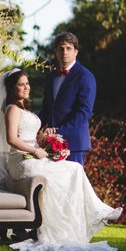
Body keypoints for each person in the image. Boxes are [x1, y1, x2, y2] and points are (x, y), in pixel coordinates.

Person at [0, 69, 122, 251]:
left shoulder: (24, 109)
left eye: (27, 83)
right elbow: (12, 139)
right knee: (69, 171)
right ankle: (98, 213)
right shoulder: (12, 109)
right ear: (12, 89)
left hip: (34, 154)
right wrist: (35, 150)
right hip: (21, 160)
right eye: (21, 84)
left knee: (75, 168)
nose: (26, 87)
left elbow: (31, 138)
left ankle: (97, 212)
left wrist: (49, 144)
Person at [39, 32, 95, 165]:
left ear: (76, 52)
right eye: (61, 48)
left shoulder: (85, 76)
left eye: (68, 48)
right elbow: (46, 109)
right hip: (50, 143)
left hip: (74, 145)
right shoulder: (51, 77)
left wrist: (59, 132)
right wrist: (33, 126)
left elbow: (84, 112)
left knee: (72, 185)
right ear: (56, 52)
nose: (64, 52)